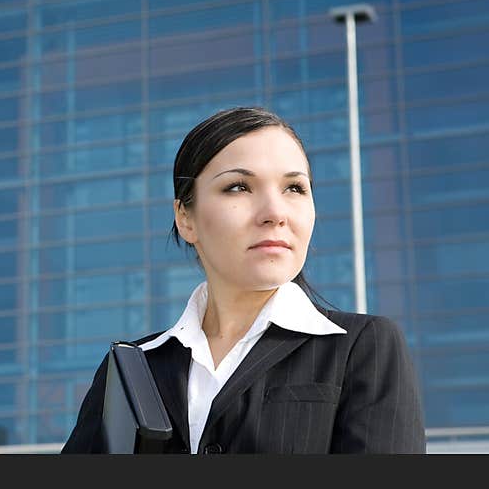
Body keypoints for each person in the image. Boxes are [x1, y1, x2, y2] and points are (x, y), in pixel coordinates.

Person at [61, 106, 425, 454]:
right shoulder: (130, 369)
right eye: (238, 187)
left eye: (294, 188)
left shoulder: (364, 348)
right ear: (185, 218)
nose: (275, 213)